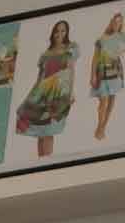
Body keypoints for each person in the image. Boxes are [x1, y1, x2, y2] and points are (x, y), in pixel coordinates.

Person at [17, 17, 78, 158]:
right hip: (41, 93)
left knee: (49, 131)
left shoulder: (71, 49)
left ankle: (47, 164)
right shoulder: (45, 55)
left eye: (63, 31)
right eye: (57, 31)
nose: (60, 33)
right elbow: (40, 78)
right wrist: (29, 97)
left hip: (57, 94)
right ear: (53, 33)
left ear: (66, 33)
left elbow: (71, 71)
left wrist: (71, 93)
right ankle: (41, 163)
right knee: (40, 131)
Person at [93, 12, 125, 144]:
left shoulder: (122, 37)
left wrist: (118, 53)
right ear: (111, 22)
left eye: (119, 22)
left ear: (121, 24)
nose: (116, 24)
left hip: (116, 70)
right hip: (102, 70)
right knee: (103, 101)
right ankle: (100, 126)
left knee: (111, 100)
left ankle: (102, 128)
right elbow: (95, 58)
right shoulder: (102, 38)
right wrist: (92, 75)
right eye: (115, 21)